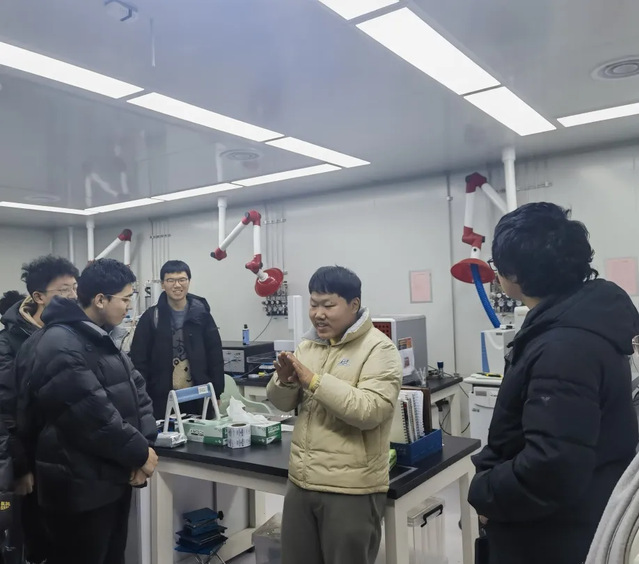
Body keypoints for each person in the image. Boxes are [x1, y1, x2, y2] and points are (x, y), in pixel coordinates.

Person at [468, 203, 639, 564]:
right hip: (570, 519)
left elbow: (551, 467)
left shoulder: (564, 347)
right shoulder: (581, 321)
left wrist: (485, 492)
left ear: (514, 273)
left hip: (550, 537)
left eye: (497, 266)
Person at [15, 258, 158, 564]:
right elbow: (90, 416)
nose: (128, 307)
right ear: (100, 300)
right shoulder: (59, 343)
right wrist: (138, 453)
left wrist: (144, 445)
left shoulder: (100, 336)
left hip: (111, 477)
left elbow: (137, 390)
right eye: (125, 300)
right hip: (78, 489)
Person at [266, 266, 402, 564]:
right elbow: (281, 404)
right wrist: (285, 382)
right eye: (314, 304)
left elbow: (370, 410)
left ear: (354, 305)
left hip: (351, 489)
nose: (319, 314)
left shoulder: (379, 349)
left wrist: (314, 382)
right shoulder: (308, 345)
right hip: (301, 481)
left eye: (328, 305)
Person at [0, 256, 79, 564]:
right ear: (38, 297)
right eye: (64, 290)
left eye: (75, 288)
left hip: (70, 456)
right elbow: (8, 409)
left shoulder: (74, 333)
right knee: (34, 540)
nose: (73, 296)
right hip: (32, 457)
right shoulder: (9, 343)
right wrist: (21, 466)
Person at [130, 260, 225, 420]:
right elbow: (139, 360)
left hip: (199, 395)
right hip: (161, 397)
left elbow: (214, 354)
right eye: (171, 280)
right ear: (162, 284)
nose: (177, 285)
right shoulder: (151, 317)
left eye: (182, 279)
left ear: (189, 281)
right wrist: (141, 396)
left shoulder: (202, 314)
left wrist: (217, 391)